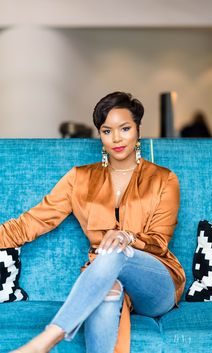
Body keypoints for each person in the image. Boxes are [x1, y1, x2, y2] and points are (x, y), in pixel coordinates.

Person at [0, 91, 186, 353]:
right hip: (104, 274)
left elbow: (159, 241)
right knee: (107, 290)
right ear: (100, 135)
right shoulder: (79, 178)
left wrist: (128, 238)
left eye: (125, 128)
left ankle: (48, 338)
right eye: (107, 131)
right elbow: (30, 224)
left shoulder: (164, 180)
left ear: (138, 130)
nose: (117, 138)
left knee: (116, 250)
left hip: (155, 283)